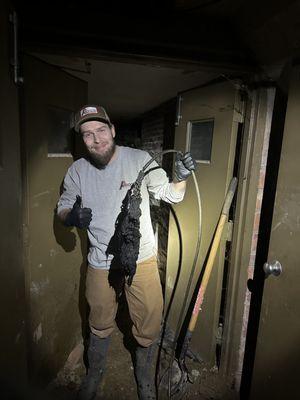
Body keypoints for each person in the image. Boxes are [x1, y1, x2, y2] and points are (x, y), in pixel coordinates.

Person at [57, 105, 196, 400]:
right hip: (100, 259)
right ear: (83, 140)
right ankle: (95, 372)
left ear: (113, 130)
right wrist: (70, 216)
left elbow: (172, 195)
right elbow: (63, 205)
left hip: (141, 256)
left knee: (148, 317)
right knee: (99, 317)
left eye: (101, 130)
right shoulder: (77, 170)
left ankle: (144, 375)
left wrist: (181, 176)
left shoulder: (140, 160)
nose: (96, 139)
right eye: (88, 134)